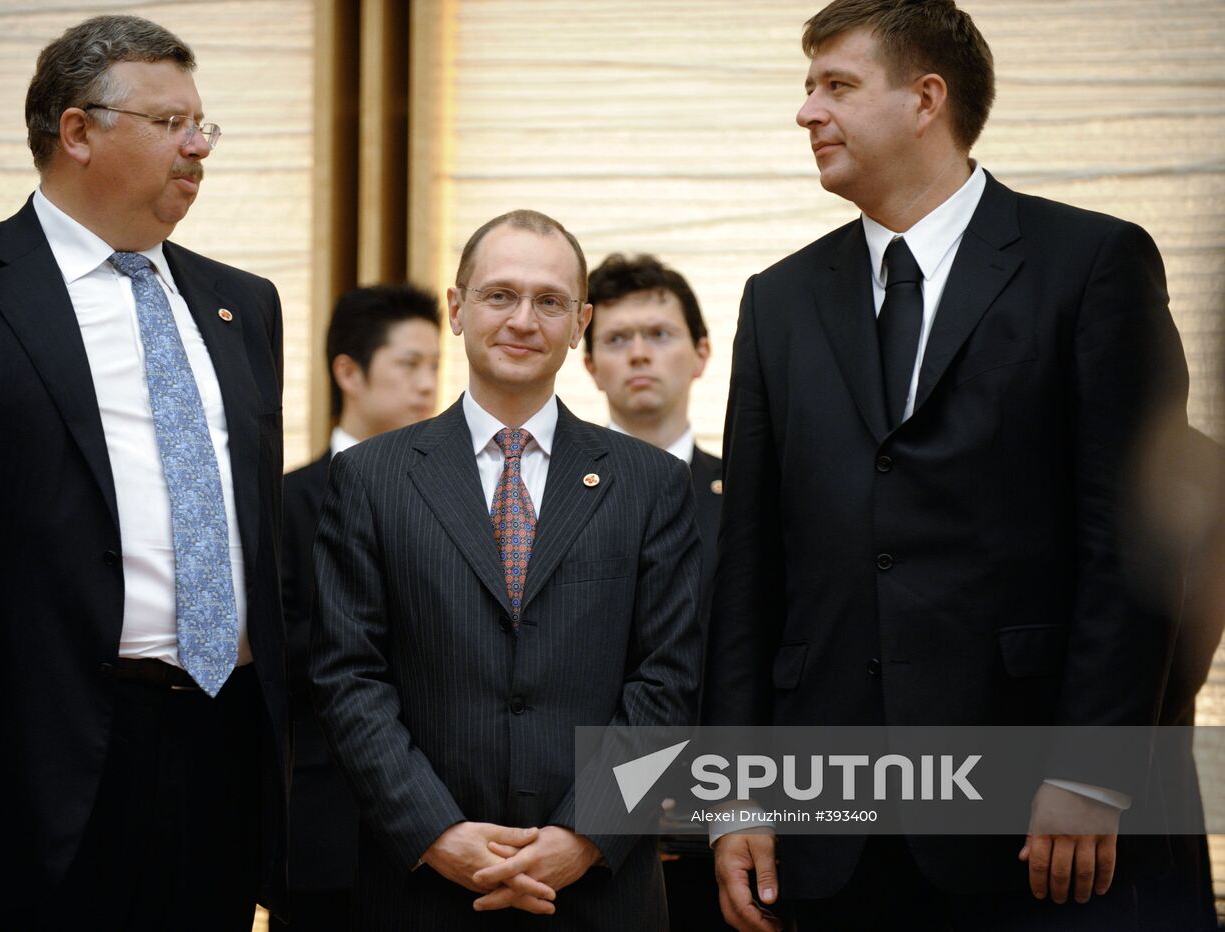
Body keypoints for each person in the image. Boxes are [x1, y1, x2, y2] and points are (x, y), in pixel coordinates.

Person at [705, 2, 1189, 930]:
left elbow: (1137, 539)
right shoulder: (779, 300)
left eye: (836, 86)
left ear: (927, 99)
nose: (807, 112)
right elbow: (749, 571)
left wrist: (1092, 767)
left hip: (1033, 816)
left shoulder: (1090, 263)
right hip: (829, 823)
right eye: (808, 88)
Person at [0, 15, 290, 930]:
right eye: (169, 124)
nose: (198, 146)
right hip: (1, 765)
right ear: (77, 131)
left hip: (211, 749)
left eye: (204, 125)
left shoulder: (245, 305)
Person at [310, 209, 704, 930]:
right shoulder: (370, 478)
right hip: (422, 888)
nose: (524, 319)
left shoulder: (648, 485)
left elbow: (668, 678)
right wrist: (436, 833)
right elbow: (348, 675)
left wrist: (584, 835)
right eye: (499, 296)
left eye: (550, 301)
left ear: (580, 321)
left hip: (598, 889)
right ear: (457, 309)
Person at [276, 282, 440, 928]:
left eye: (434, 366)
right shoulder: (284, 503)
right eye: (408, 364)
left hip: (449, 824)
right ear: (349, 370)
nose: (427, 385)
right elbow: (281, 650)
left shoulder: (460, 502)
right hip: (324, 821)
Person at [583, 253, 727, 930]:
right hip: (576, 834)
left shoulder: (755, 500)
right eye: (616, 339)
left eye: (660, 335)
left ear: (701, 353)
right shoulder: (536, 503)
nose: (639, 353)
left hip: (720, 837)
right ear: (589, 364)